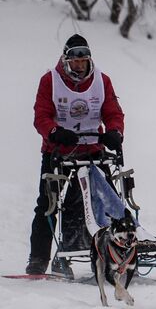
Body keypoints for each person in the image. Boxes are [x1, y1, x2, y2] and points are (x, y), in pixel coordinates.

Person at [25, 34, 126, 276]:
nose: (79, 66)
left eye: (83, 62)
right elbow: (41, 115)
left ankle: (116, 254)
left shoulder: (102, 80)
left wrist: (114, 132)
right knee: (48, 205)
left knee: (110, 202)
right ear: (66, 60)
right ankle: (38, 259)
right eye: (75, 62)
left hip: (93, 150)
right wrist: (54, 131)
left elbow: (113, 112)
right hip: (58, 152)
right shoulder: (50, 80)